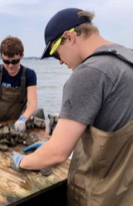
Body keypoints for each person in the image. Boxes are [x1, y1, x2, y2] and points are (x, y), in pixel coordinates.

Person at [10, 8, 133, 205]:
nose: (60, 62)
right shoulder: (127, 57)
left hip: (101, 197)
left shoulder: (89, 73)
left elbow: (57, 153)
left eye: (55, 53)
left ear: (69, 37)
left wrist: (21, 161)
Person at [0, 36, 37, 132]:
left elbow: (32, 103)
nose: (10, 66)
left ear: (22, 56)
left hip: (15, 124)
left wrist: (23, 119)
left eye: (15, 61)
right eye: (6, 61)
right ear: (1, 56)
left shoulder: (29, 75)